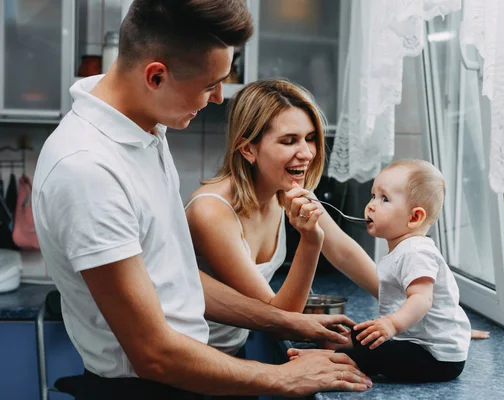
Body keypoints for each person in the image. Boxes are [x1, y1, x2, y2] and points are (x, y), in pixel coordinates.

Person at [31, 2, 372, 399]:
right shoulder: (88, 169)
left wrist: (286, 323)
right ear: (155, 76)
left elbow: (174, 278)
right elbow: (153, 354)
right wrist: (283, 377)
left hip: (185, 378)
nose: (216, 98)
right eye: (210, 84)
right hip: (150, 389)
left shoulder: (146, 132)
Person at [185, 79, 381, 358]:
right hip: (191, 360)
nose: (306, 153)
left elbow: (343, 251)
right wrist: (311, 242)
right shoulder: (211, 211)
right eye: (289, 141)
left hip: (229, 352)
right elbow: (281, 319)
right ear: (247, 149)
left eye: (310, 138)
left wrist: (419, 312)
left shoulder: (285, 189)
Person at [290, 159, 474, 382]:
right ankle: (339, 344)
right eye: (372, 195)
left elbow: (421, 299)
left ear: (414, 217)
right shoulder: (402, 249)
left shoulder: (416, 252)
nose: (371, 205)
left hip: (436, 357)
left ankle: (330, 357)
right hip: (414, 342)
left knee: (377, 353)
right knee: (366, 334)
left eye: (384, 199)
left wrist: (391, 324)